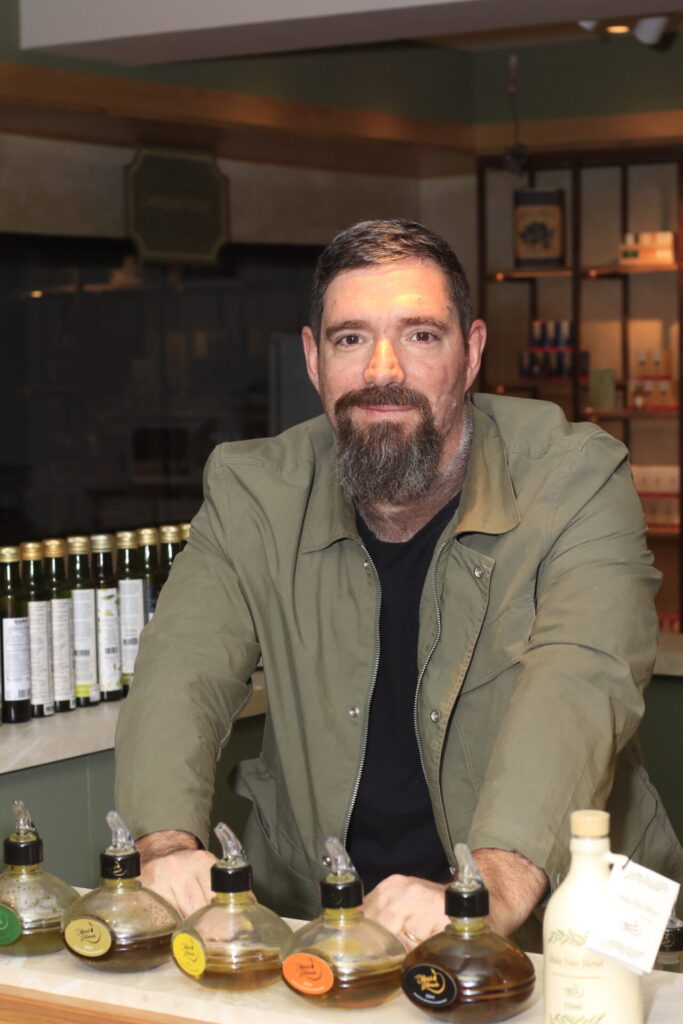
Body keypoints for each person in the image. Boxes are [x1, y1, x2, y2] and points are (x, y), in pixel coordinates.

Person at [115, 219, 683, 949]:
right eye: (351, 338)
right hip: (323, 928)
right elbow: (181, 667)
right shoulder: (252, 489)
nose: (382, 370)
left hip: (564, 930)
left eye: (419, 335)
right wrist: (165, 846)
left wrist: (490, 886)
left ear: (470, 352)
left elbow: (581, 676)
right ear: (314, 359)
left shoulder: (575, 477)